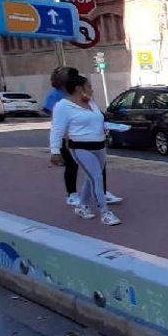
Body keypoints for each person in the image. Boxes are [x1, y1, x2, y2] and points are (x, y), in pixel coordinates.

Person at [49, 74, 122, 226]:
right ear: (78, 88)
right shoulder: (63, 106)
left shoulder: (90, 102)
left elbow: (97, 121)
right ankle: (105, 212)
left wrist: (112, 127)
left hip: (99, 145)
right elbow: (57, 129)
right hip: (81, 147)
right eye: (88, 86)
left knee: (91, 178)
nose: (91, 89)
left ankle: (82, 206)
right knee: (97, 177)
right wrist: (55, 150)